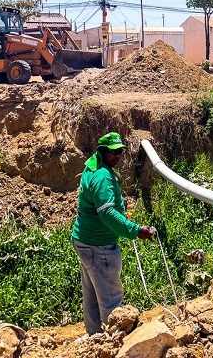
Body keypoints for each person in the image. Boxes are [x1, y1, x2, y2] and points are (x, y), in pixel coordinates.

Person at [71, 132, 155, 336]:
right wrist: (135, 230)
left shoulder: (92, 167)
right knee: (110, 298)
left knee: (91, 294)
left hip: (84, 240)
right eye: (113, 152)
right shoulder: (102, 177)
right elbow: (107, 213)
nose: (118, 156)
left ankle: (95, 337)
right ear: (102, 151)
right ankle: (115, 342)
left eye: (120, 152)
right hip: (99, 245)